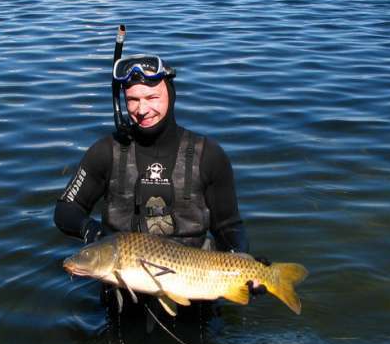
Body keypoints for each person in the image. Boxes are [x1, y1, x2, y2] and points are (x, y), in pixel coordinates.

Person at [54, 53, 249, 254]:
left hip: (192, 278)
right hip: (119, 272)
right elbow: (66, 209)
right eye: (133, 99)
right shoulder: (105, 151)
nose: (142, 109)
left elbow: (229, 226)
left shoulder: (209, 154)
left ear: (171, 95)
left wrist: (242, 260)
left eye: (152, 97)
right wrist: (92, 232)